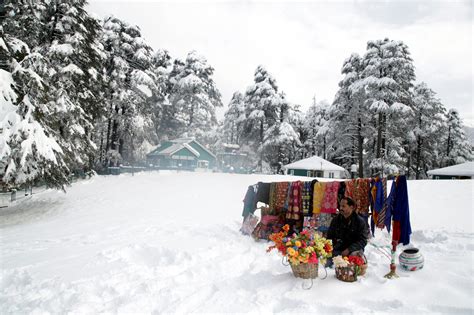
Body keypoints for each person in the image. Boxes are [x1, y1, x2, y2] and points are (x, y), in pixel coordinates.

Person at [327, 197, 368, 265]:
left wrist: (349, 249)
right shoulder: (336, 220)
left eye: (343, 206)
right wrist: (328, 248)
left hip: (354, 250)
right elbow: (330, 237)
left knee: (353, 260)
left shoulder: (360, 221)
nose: (341, 208)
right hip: (339, 249)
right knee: (328, 263)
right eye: (340, 206)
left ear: (351, 207)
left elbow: (363, 241)